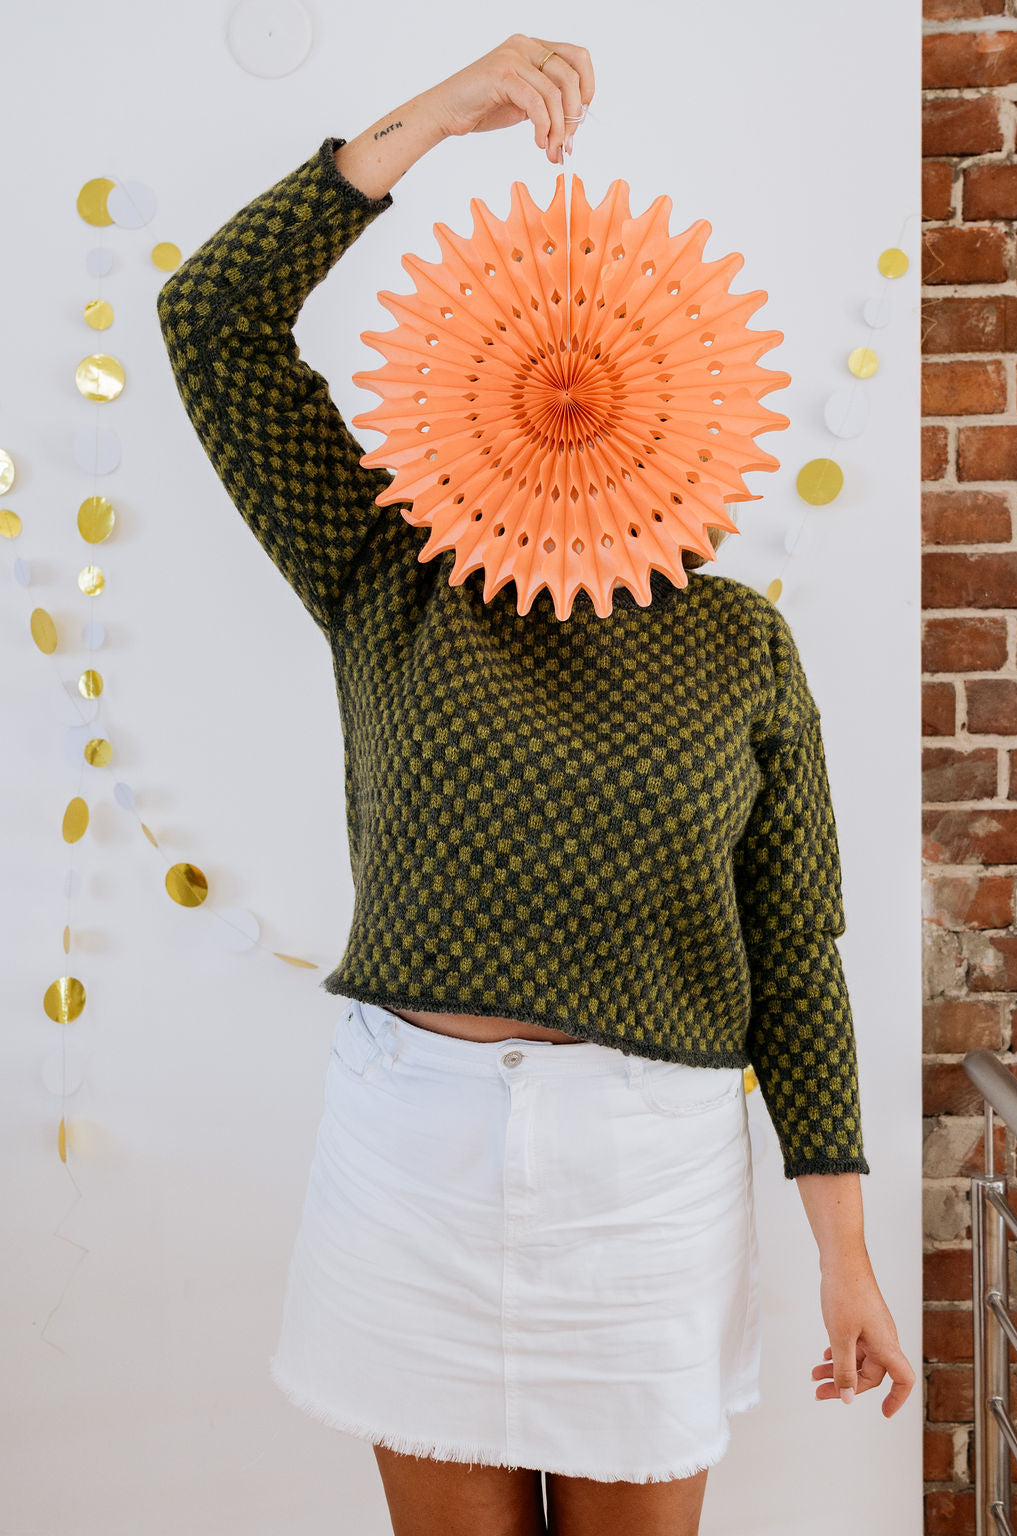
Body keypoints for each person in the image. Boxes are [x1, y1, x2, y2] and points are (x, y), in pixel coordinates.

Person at [157, 33, 915, 1536]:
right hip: (410, 1162)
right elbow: (212, 321)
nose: (569, 400)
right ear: (461, 392)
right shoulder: (387, 571)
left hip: (649, 1188)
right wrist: (434, 120)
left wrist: (846, 1250)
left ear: (692, 420)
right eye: (529, 375)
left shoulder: (741, 649)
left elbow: (796, 963)